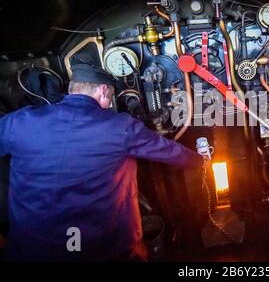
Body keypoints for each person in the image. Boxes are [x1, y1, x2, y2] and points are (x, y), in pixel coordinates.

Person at [0, 63, 204, 261]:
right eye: (111, 98)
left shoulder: (19, 121)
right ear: (104, 90)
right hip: (101, 250)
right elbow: (171, 153)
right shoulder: (120, 126)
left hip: (27, 249)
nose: (109, 105)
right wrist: (200, 161)